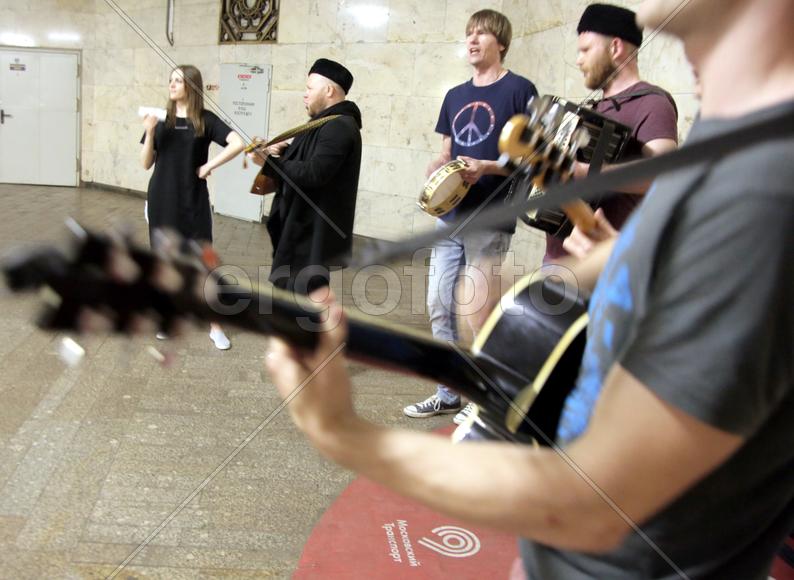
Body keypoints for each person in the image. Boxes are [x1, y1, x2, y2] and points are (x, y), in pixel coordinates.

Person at [265, 0, 794, 578]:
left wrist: (343, 434)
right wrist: (619, 252)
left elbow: (593, 504)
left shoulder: (763, 186)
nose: (578, 51)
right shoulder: (734, 139)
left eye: (587, 44)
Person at [402, 9, 537, 422]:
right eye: (469, 34)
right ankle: (449, 391)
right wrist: (438, 165)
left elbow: (532, 158)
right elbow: (447, 149)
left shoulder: (520, 90)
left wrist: (488, 167)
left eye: (482, 33)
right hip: (451, 216)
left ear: (501, 42)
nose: (473, 40)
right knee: (441, 303)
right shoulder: (455, 96)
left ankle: (486, 397)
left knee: (480, 310)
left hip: (491, 217)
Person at [542, 3, 679, 263]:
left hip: (603, 267)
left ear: (615, 48)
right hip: (559, 257)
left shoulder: (652, 103)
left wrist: (584, 172)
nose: (578, 60)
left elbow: (664, 175)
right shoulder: (590, 109)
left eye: (585, 50)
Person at [140, 64, 245, 350]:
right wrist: (149, 132)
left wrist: (208, 166)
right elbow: (146, 163)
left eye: (178, 81)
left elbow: (237, 142)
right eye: (170, 80)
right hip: (162, 197)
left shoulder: (205, 120)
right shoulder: (160, 120)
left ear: (191, 86)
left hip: (193, 200)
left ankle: (215, 324)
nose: (171, 85)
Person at [248, 59, 362, 295]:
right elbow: (312, 159)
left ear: (328, 90)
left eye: (310, 88)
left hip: (313, 233)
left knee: (305, 298)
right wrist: (283, 151)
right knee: (300, 297)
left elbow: (315, 173)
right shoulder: (326, 123)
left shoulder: (339, 127)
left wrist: (271, 163)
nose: (305, 94)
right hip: (304, 228)